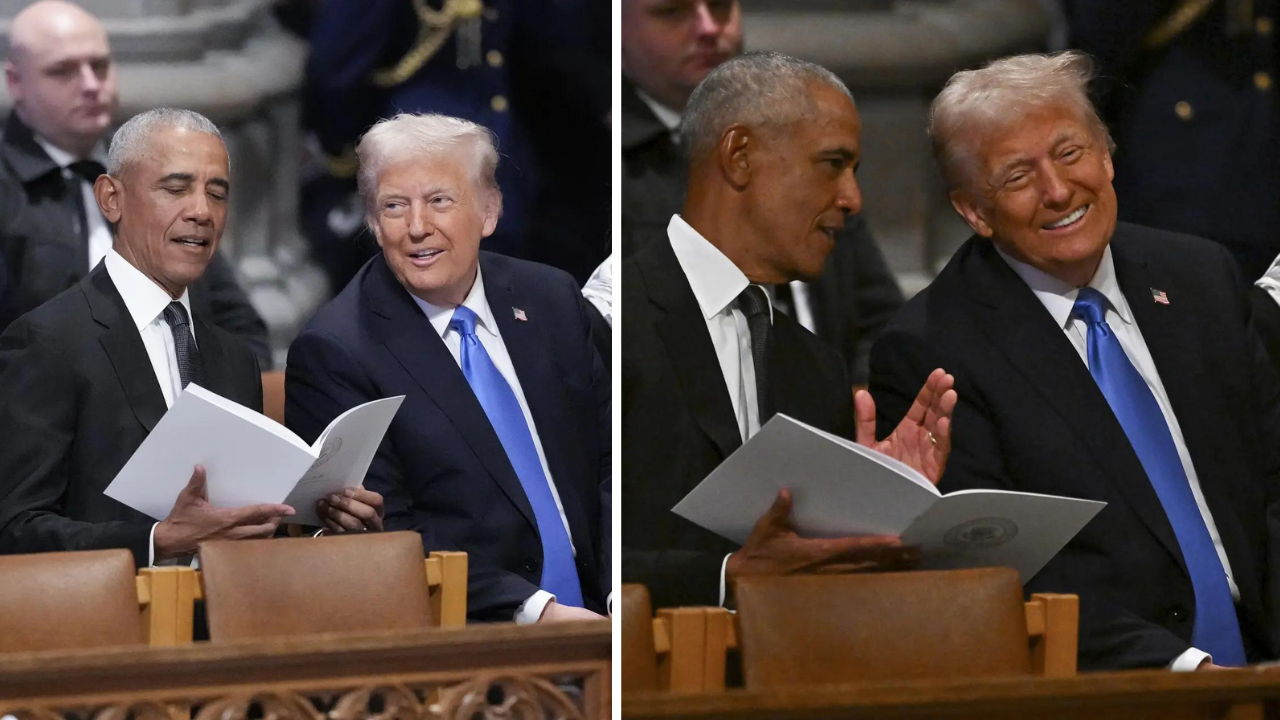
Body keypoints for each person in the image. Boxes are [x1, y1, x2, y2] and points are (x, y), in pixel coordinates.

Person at [869, 51, 1280, 671]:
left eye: (1070, 153)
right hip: (1117, 687)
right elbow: (1001, 572)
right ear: (974, 211)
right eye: (1016, 177)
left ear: (1107, 154)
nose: (1058, 191)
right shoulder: (933, 349)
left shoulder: (1202, 279)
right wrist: (1187, 673)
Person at [622, 52, 956, 611]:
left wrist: (878, 507)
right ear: (740, 156)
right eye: (832, 164)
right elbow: (574, 546)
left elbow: (804, 566)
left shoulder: (818, 367)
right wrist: (727, 578)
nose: (853, 199)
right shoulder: (608, 317)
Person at [0, 108, 382, 566]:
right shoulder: (46, 342)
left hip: (231, 620)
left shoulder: (234, 358)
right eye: (176, 189)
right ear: (111, 198)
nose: (201, 212)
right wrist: (156, 539)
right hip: (111, 623)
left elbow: (240, 528)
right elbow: (14, 530)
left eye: (217, 194)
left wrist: (326, 526)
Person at [285, 113, 609, 623]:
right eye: (394, 206)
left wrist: (617, 593)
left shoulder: (551, 300)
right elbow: (389, 538)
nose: (418, 227)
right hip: (473, 635)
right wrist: (538, 613)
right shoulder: (336, 353)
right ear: (372, 221)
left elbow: (608, 465)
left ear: (489, 209)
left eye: (440, 200)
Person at [620, 0, 904, 385]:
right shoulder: (609, 166)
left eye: (720, 7)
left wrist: (851, 407)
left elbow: (880, 319)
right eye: (673, 11)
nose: (708, 28)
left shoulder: (804, 128)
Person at [0, 0, 271, 366]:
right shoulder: (8, 193)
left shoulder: (151, 164)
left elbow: (236, 321)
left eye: (99, 66)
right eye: (63, 71)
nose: (91, 85)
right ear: (16, 82)